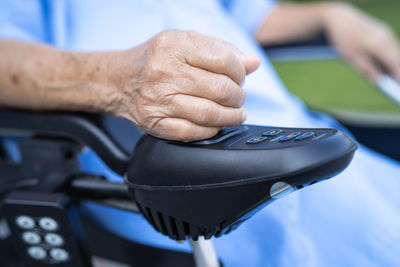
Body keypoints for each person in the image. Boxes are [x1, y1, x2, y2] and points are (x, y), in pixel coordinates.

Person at [1, 0, 400, 266]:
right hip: (165, 173)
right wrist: (115, 79)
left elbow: (242, 13)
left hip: (296, 130)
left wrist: (328, 15)